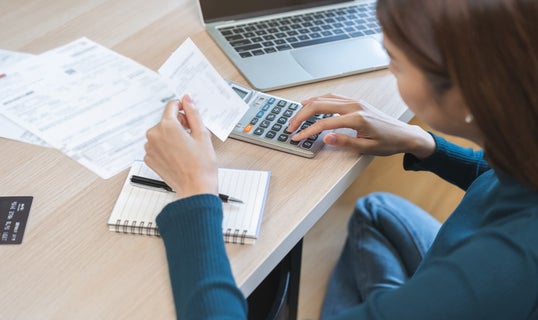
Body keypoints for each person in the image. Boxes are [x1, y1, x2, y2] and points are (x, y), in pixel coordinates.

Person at [144, 0, 538, 318]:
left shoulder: (498, 268)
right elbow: (505, 183)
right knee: (375, 210)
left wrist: (197, 192)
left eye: (396, 61)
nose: (388, 68)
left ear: (468, 92)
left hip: (475, 289)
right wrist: (423, 143)